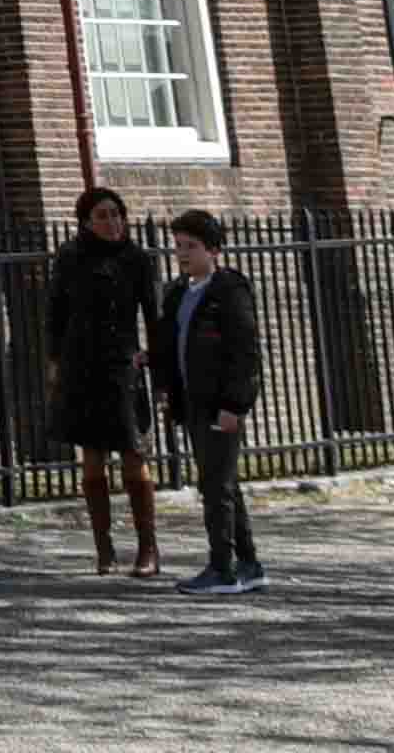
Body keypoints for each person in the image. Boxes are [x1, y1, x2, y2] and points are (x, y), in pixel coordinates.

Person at [39, 185, 162, 578]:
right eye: (103, 216)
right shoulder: (70, 257)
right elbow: (55, 313)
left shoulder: (136, 259)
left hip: (122, 367)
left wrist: (157, 364)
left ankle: (147, 547)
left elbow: (154, 315)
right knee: (92, 463)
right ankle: (104, 547)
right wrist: (54, 362)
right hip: (81, 367)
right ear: (86, 222)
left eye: (116, 214)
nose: (112, 222)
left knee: (134, 458)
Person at [156, 207, 268, 591]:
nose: (183, 254)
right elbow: (172, 344)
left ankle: (222, 568)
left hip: (221, 403)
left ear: (213, 250)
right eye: (178, 246)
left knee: (215, 486)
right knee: (224, 482)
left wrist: (235, 405)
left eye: (191, 246)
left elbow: (245, 352)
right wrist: (159, 374)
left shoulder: (229, 291)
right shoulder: (177, 293)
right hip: (193, 402)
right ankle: (249, 564)